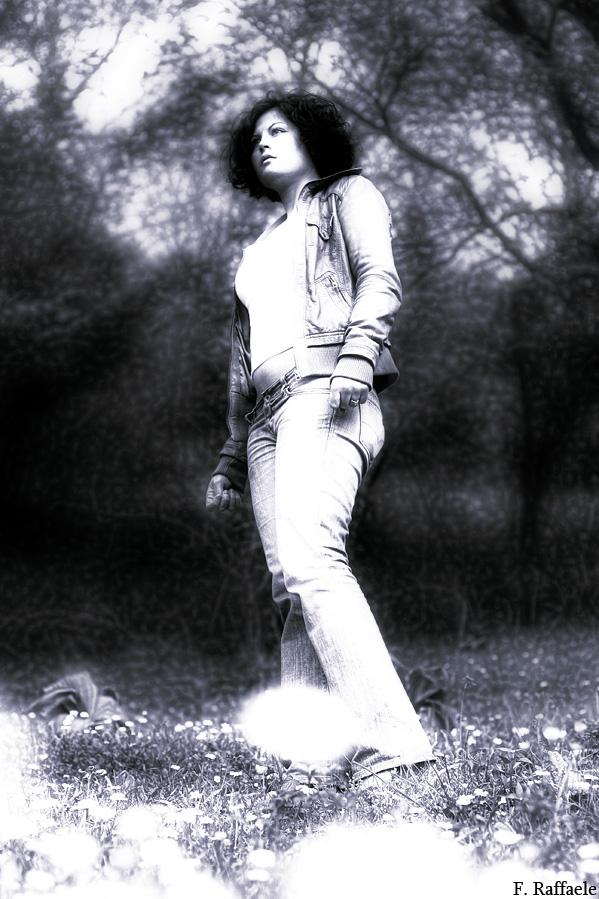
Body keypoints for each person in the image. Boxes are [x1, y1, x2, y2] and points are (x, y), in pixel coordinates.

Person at [205, 91, 434, 787]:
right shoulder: (256, 249)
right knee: (290, 587)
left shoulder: (347, 197)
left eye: (280, 130)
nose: (264, 142)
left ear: (312, 137)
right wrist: (231, 456)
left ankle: (394, 745)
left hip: (326, 392)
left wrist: (357, 357)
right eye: (255, 137)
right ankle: (307, 762)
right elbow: (242, 360)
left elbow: (378, 280)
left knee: (312, 565)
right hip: (266, 421)